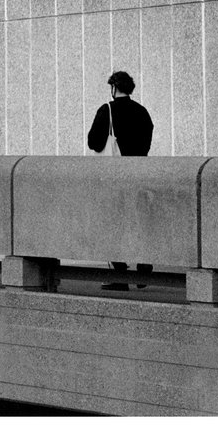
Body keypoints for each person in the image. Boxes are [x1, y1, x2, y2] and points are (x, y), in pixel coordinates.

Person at [87, 71, 154, 290]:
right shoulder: (142, 112)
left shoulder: (107, 110)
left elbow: (94, 143)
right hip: (138, 175)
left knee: (113, 223)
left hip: (115, 178)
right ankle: (143, 267)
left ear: (114, 88)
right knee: (138, 221)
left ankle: (119, 274)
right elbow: (146, 144)